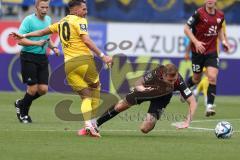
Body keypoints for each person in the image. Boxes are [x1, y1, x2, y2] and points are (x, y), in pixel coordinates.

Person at [11, 0, 112, 137]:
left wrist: (24, 35)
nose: (86, 12)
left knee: (85, 96)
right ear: (75, 10)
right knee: (95, 88)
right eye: (84, 9)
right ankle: (93, 124)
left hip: (69, 65)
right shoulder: (80, 20)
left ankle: (88, 126)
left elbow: (42, 32)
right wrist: (102, 55)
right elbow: (86, 40)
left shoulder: (61, 22)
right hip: (84, 61)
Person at [82, 64, 197, 135]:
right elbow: (138, 83)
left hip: (162, 98)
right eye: (170, 81)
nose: (173, 83)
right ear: (163, 76)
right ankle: (95, 124)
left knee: (145, 129)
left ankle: (151, 118)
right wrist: (142, 89)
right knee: (121, 106)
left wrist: (188, 121)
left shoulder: (179, 81)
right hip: (147, 90)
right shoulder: (156, 73)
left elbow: (192, 101)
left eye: (175, 79)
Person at [13, 0, 60, 124]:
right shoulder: (28, 20)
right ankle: (24, 114)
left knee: (43, 89)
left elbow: (47, 38)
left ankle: (20, 103)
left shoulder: (48, 20)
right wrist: (36, 43)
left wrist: (53, 47)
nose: (45, 10)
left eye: (46, 7)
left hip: (42, 57)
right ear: (36, 7)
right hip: (28, 56)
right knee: (33, 89)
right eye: (42, 7)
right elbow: (20, 40)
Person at [184, 0, 230, 117]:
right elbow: (186, 28)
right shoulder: (198, 13)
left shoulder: (220, 15)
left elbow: (219, 29)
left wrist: (224, 42)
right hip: (198, 52)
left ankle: (209, 105)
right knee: (196, 79)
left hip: (212, 52)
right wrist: (196, 42)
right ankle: (183, 89)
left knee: (212, 77)